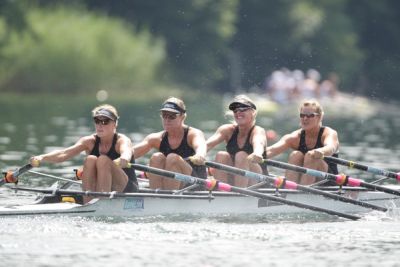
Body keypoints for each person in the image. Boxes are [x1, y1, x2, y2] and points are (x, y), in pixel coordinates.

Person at [30, 104, 138, 202]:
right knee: (91, 159)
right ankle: (89, 203)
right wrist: (41, 157)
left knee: (103, 160)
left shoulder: (122, 140)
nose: (100, 125)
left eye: (105, 121)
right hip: (102, 188)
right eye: (97, 121)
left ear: (114, 124)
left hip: (127, 188)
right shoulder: (89, 141)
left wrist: (124, 157)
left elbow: (126, 151)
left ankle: (102, 202)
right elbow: (64, 154)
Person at [133, 97, 207, 190]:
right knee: (156, 157)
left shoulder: (193, 134)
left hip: (195, 184)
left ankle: (167, 197)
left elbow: (201, 146)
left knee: (172, 158)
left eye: (172, 116)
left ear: (182, 117)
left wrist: (200, 155)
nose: (167, 119)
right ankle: (156, 197)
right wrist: (119, 158)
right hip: (175, 185)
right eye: (164, 115)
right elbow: (131, 153)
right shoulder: (156, 138)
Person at [267, 99, 339, 185]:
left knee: (311, 156)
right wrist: (253, 155)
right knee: (296, 155)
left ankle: (302, 193)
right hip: (304, 183)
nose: (305, 118)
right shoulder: (295, 137)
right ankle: (290, 191)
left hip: (329, 182)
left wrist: (321, 151)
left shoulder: (328, 133)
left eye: (310, 115)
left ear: (320, 117)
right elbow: (270, 151)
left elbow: (331, 147)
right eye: (302, 115)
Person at [206, 95, 267, 187]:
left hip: (257, 181)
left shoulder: (257, 131)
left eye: (243, 109)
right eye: (235, 110)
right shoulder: (227, 130)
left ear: (253, 112)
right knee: (221, 155)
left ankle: (239, 195)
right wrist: (198, 153)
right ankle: (221, 193)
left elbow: (259, 143)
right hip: (235, 175)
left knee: (241, 155)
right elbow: (207, 145)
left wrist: (257, 153)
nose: (238, 112)